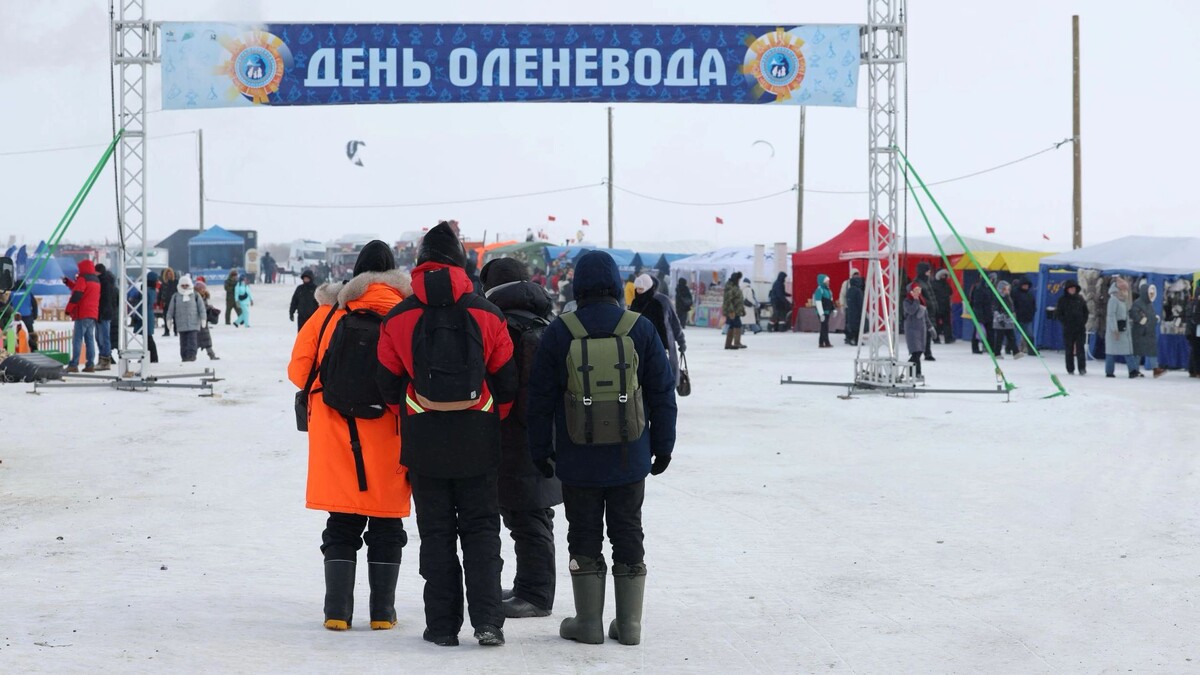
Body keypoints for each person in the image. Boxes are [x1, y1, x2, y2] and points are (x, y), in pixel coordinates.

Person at [375, 222, 517, 648]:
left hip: (425, 444)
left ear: (418, 265)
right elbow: (507, 383)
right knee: (481, 532)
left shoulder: (399, 317)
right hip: (478, 439)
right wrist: (488, 416)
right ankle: (488, 622)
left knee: (436, 534)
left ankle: (441, 626)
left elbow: (387, 386)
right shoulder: (488, 314)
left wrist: (415, 413)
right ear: (461, 263)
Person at [526, 250, 677, 647]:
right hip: (631, 455)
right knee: (628, 529)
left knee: (584, 533)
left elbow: (539, 398)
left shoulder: (561, 331)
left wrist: (540, 450)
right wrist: (663, 446)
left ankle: (588, 622)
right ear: (615, 284)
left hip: (578, 459)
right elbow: (663, 392)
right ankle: (629, 626)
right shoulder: (640, 328)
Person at [288, 241, 412, 632]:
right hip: (391, 434)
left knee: (341, 522)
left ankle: (337, 612)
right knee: (387, 524)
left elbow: (298, 372)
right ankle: (382, 613)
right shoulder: (406, 315)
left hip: (338, 434)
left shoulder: (328, 314)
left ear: (355, 275)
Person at [477, 257, 563, 620]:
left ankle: (536, 594)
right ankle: (531, 585)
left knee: (526, 515)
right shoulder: (548, 321)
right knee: (533, 512)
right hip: (549, 432)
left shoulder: (503, 324)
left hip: (514, 433)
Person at [631, 273, 686, 385]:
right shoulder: (636, 302)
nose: (639, 292)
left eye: (641, 289)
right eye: (637, 289)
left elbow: (674, 323)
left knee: (664, 381)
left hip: (663, 348)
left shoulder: (663, 301)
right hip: (641, 349)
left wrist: (681, 341)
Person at [63, 259, 101, 373]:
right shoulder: (96, 280)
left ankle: (74, 364)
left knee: (77, 339)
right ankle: (90, 364)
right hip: (92, 314)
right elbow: (81, 289)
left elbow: (77, 295)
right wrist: (68, 282)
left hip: (82, 313)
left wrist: (68, 309)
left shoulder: (82, 279)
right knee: (89, 339)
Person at [164, 274, 207, 362]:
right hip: (181, 324)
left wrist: (203, 318)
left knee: (192, 341)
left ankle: (191, 356)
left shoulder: (195, 295)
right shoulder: (176, 296)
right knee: (183, 342)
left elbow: (202, 308)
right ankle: (184, 357)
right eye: (182, 285)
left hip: (193, 323)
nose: (184, 287)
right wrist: (169, 319)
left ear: (190, 285)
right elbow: (170, 309)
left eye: (186, 285)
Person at [1105, 277, 1138, 378]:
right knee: (1112, 353)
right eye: (1123, 289)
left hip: (1123, 330)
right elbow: (1111, 315)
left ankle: (1132, 370)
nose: (1125, 291)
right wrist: (1114, 329)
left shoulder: (1123, 300)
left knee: (1127, 351)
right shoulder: (1113, 300)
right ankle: (1110, 372)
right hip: (1116, 331)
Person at [1130, 279, 1164, 378]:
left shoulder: (1149, 304)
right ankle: (1135, 369)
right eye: (1150, 293)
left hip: (1148, 331)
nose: (1152, 295)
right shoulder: (1138, 303)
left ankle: (1155, 369)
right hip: (1139, 331)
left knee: (1152, 350)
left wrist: (1154, 318)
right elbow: (1134, 313)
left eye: (1153, 293)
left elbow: (1150, 315)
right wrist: (1141, 319)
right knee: (1138, 352)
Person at [1054, 279, 1089, 375]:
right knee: (1069, 349)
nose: (1072, 290)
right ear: (1067, 289)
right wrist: (1065, 322)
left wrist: (1083, 322)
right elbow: (1058, 313)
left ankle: (1082, 368)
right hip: (1068, 328)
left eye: (1074, 288)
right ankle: (1070, 368)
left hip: (1080, 328)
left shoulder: (1080, 299)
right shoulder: (1062, 300)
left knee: (1080, 348)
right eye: (1070, 288)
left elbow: (1086, 312)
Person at [94, 263, 118, 371]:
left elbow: (104, 300)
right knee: (101, 337)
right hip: (105, 313)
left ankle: (105, 360)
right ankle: (104, 359)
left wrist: (101, 312)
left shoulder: (103, 283)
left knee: (102, 337)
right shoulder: (108, 282)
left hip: (102, 313)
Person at [903, 283, 930, 378]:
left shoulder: (921, 301)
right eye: (916, 290)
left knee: (919, 351)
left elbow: (925, 316)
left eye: (919, 290)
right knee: (916, 352)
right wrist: (915, 301)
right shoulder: (907, 301)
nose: (918, 292)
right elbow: (911, 311)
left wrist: (930, 327)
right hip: (912, 329)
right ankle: (916, 372)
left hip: (921, 330)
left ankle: (912, 371)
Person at [914, 263, 938, 359]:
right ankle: (925, 353)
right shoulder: (918, 283)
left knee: (928, 333)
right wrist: (928, 305)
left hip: (929, 311)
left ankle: (927, 352)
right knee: (924, 333)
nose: (929, 273)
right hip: (923, 311)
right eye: (928, 271)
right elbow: (918, 298)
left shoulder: (926, 282)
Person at [194, 280, 221, 360]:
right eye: (200, 289)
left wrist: (210, 308)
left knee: (207, 340)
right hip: (196, 322)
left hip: (203, 322)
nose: (203, 290)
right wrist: (208, 308)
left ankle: (211, 355)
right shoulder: (195, 297)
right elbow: (198, 309)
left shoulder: (204, 297)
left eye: (203, 289)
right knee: (195, 341)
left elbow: (203, 308)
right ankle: (192, 356)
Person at [992, 280, 1019, 358]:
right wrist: (1000, 319)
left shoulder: (1008, 297)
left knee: (1012, 337)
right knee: (999, 339)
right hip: (1000, 322)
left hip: (1008, 321)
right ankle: (997, 353)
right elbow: (995, 309)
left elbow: (1011, 308)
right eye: (1005, 289)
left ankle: (1016, 352)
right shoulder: (997, 297)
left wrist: (1012, 316)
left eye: (1008, 289)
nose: (1007, 291)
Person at [969, 277, 994, 354]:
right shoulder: (979, 289)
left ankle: (990, 347)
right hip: (981, 313)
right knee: (978, 331)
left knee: (989, 331)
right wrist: (979, 315)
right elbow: (977, 303)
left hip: (988, 312)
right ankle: (975, 348)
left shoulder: (989, 288)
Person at [1012, 277, 1037, 355]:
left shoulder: (1030, 294)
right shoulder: (1015, 293)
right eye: (1024, 285)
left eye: (1027, 285)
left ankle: (1031, 350)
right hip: (1018, 318)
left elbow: (1033, 305)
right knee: (1016, 335)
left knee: (1030, 335)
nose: (1026, 287)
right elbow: (1012, 304)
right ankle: (1015, 350)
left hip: (1028, 318)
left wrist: (1032, 312)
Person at [722, 271, 746, 350]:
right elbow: (728, 300)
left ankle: (728, 344)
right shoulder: (731, 287)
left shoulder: (734, 286)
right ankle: (736, 342)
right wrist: (731, 311)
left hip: (736, 310)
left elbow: (739, 300)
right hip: (733, 311)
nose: (739, 281)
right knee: (737, 325)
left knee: (732, 326)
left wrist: (742, 310)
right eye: (739, 279)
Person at [932, 269, 954, 344]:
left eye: (945, 275)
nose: (944, 276)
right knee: (937, 324)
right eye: (942, 275)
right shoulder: (934, 284)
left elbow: (950, 292)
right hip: (937, 307)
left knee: (946, 323)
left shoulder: (946, 284)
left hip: (945, 307)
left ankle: (948, 338)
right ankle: (936, 338)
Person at [813, 273, 834, 348]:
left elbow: (831, 301)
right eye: (827, 281)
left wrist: (833, 309)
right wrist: (821, 313)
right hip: (822, 312)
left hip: (827, 311)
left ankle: (822, 342)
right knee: (824, 326)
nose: (828, 282)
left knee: (824, 326)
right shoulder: (819, 290)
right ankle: (826, 342)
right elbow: (818, 302)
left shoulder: (828, 290)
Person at [844, 274, 865, 346]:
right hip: (857, 311)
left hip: (850, 310)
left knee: (852, 325)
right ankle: (856, 340)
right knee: (858, 326)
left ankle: (851, 338)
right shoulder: (858, 291)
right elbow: (861, 302)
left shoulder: (849, 290)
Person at [1186, 284, 1200, 378]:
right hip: (1195, 330)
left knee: (1195, 351)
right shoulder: (1196, 304)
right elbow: (1195, 318)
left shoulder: (1192, 303)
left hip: (1192, 330)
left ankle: (1193, 370)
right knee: (1196, 351)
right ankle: (1197, 371)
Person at [159, 268, 178, 337]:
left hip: (174, 303)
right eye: (167, 274)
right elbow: (160, 293)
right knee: (166, 318)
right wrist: (159, 301)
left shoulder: (176, 282)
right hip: (166, 303)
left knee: (175, 318)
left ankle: (176, 331)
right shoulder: (163, 283)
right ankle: (166, 331)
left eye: (170, 274)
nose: (168, 275)